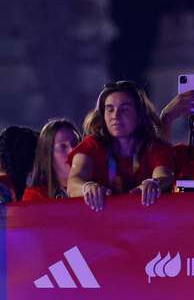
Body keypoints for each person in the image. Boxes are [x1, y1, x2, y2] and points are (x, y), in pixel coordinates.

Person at [67, 81, 174, 210]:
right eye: (109, 109)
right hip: (100, 219)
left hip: (146, 219)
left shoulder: (154, 146)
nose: (115, 116)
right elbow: (73, 183)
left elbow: (164, 176)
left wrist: (154, 183)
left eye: (125, 109)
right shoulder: (92, 145)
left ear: (139, 114)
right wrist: (86, 187)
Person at [22, 119, 82, 201]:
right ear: (48, 155)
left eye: (76, 144)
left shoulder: (95, 187)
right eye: (63, 146)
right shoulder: (35, 197)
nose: (72, 151)